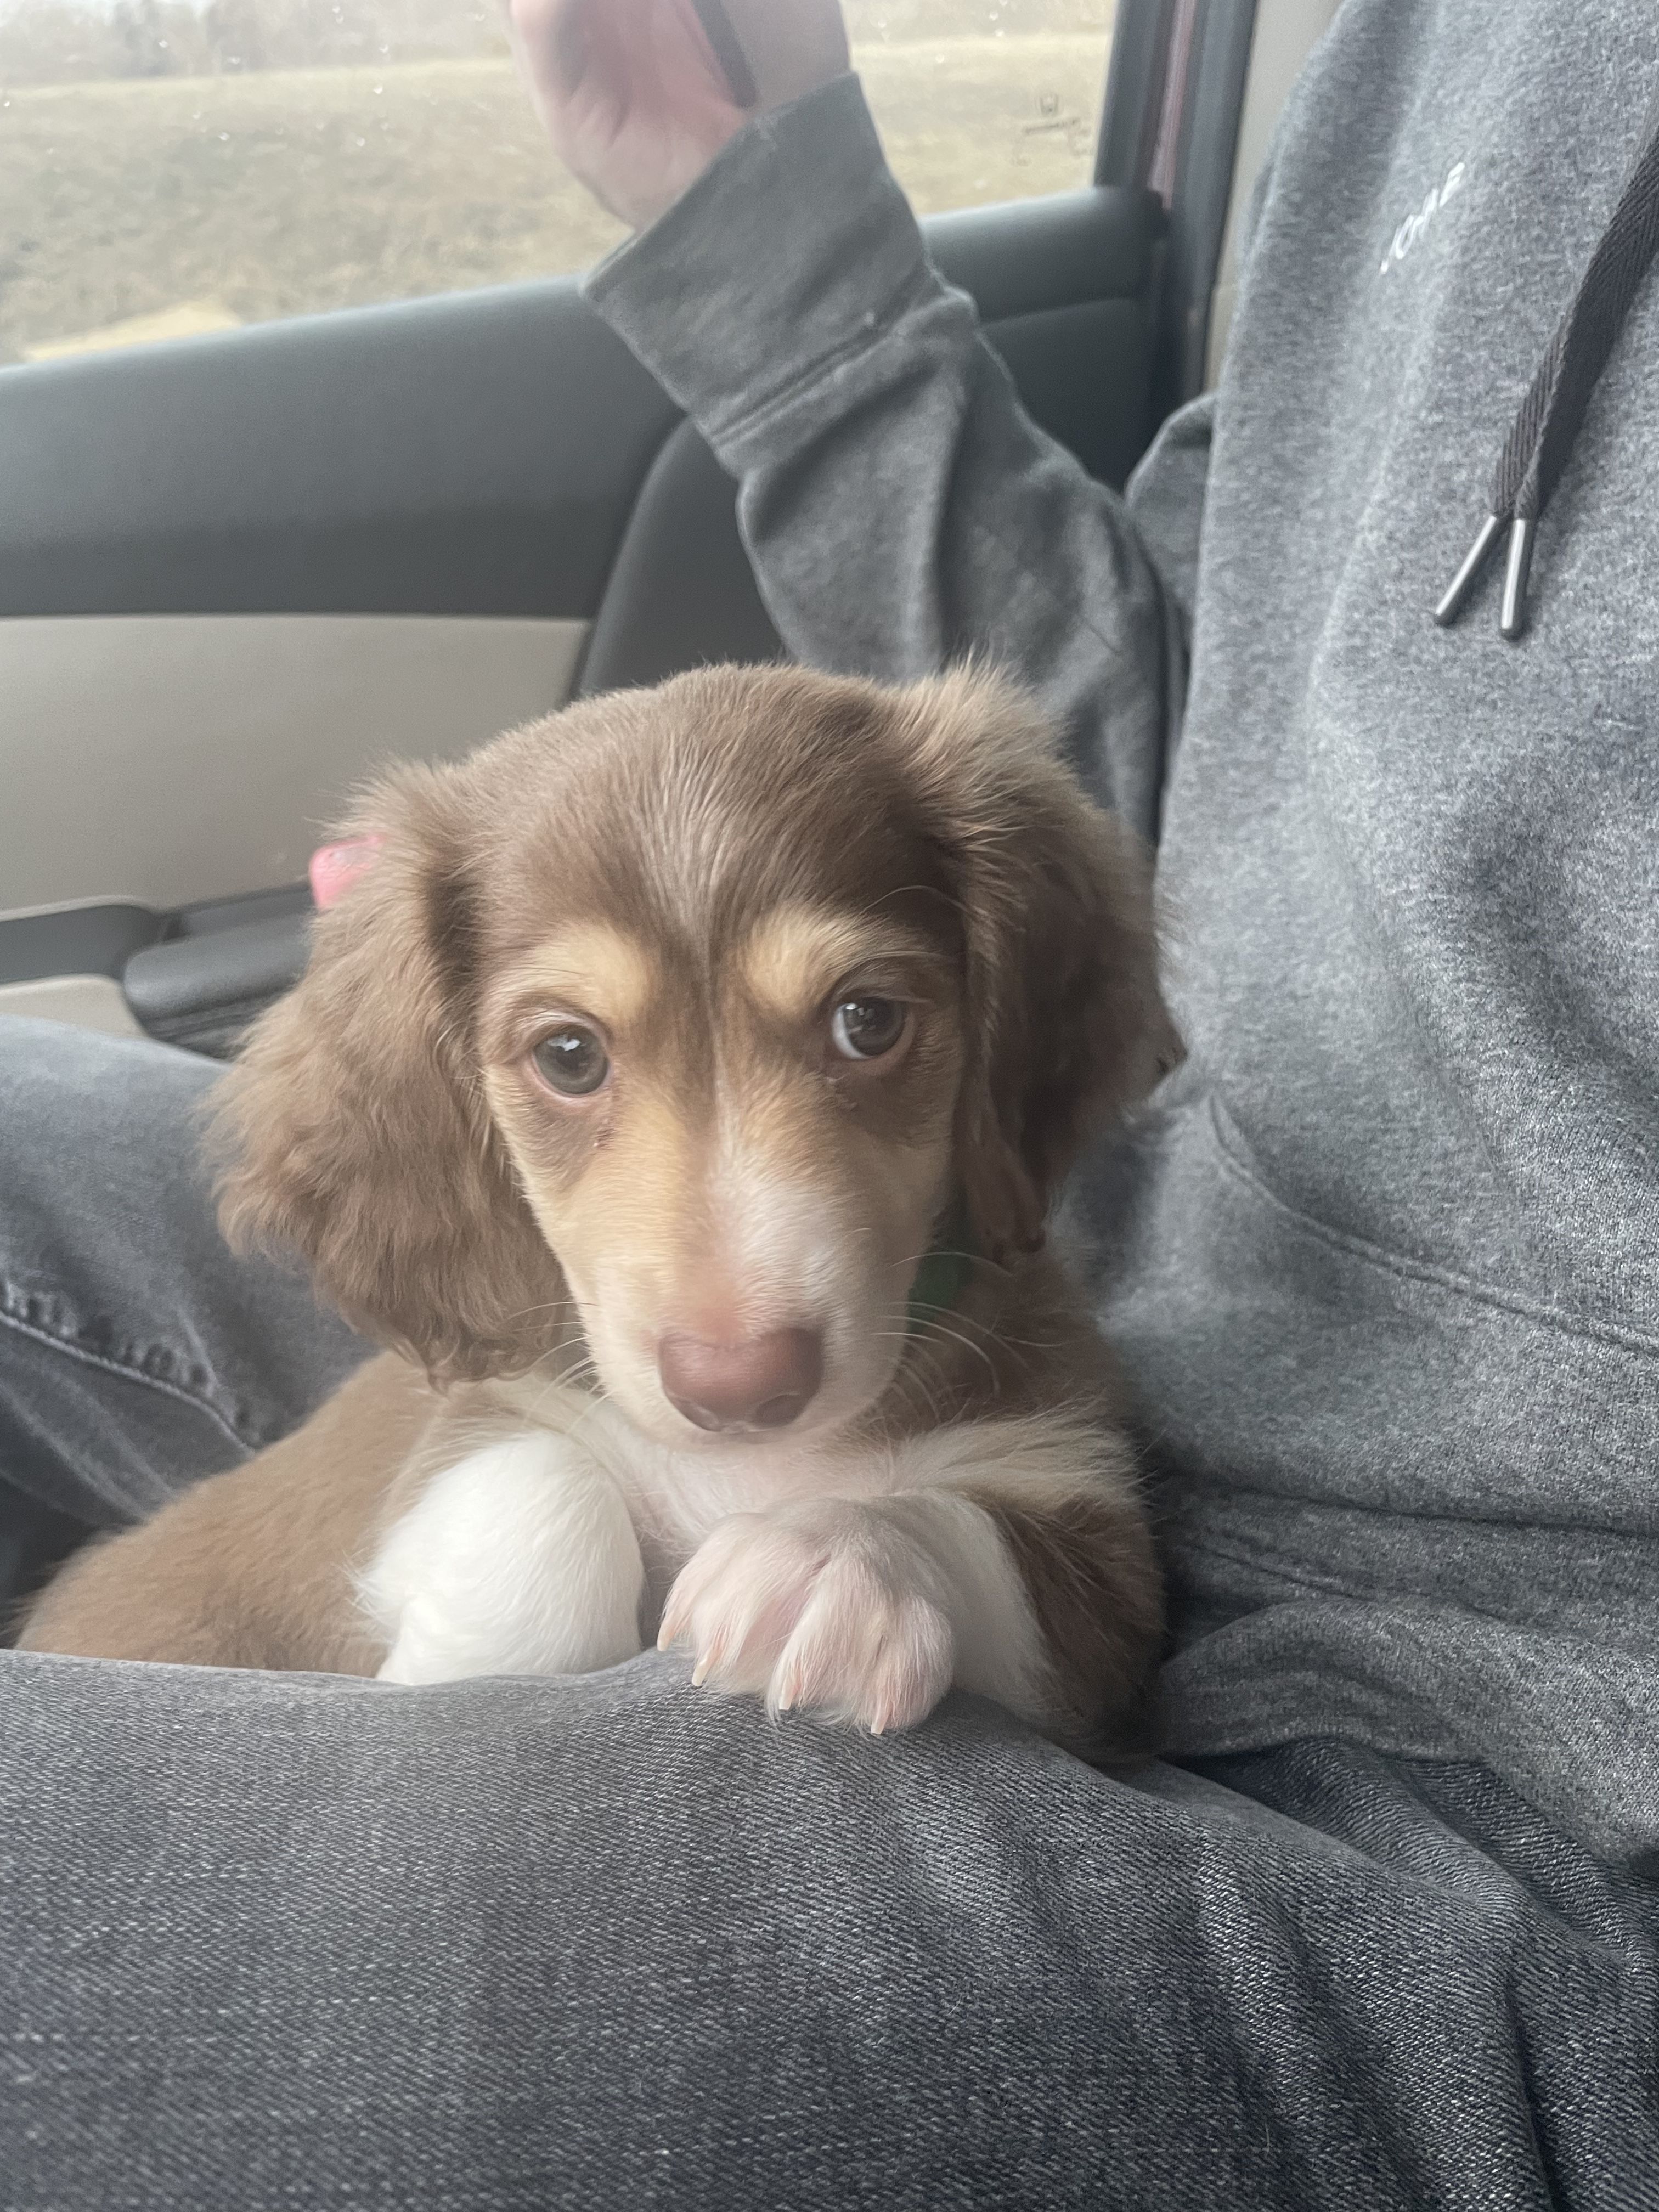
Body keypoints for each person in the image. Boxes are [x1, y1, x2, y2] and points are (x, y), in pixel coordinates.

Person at [2, 0, 1655, 2203]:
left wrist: (917, 1545)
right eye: (562, 1057)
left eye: (857, 1024)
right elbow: (1165, 729)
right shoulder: (1439, 43)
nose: (734, 1297)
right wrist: (754, 222)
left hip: (1490, 1795)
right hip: (1088, 1294)